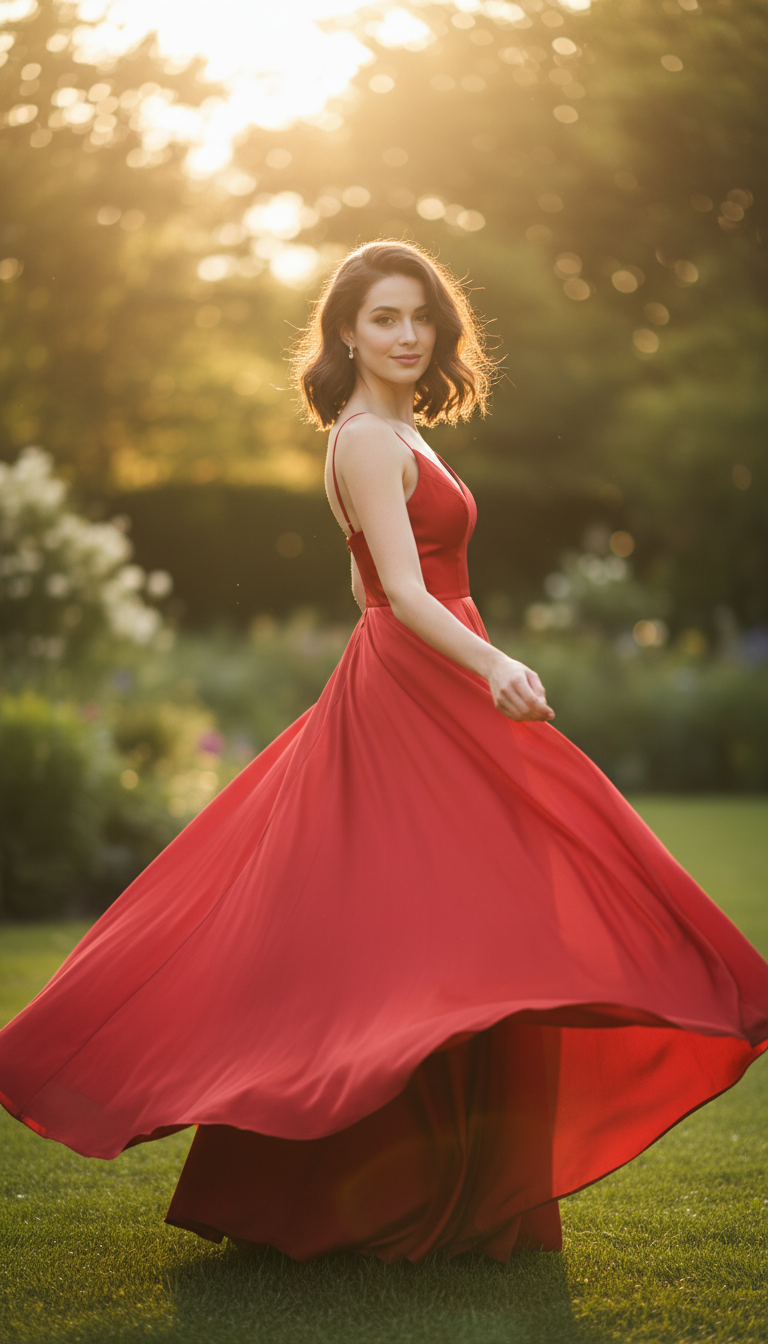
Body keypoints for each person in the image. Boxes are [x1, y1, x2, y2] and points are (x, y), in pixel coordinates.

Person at [1, 241, 766, 1264]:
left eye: (420, 319)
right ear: (346, 334)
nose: (408, 337)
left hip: (432, 683)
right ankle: (361, 1201)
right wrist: (492, 663)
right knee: (413, 932)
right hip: (416, 684)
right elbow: (401, 595)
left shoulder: (404, 431)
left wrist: (475, 664)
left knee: (474, 921)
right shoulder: (364, 438)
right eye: (384, 321)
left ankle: (460, 1187)